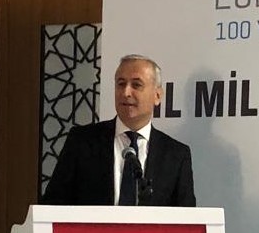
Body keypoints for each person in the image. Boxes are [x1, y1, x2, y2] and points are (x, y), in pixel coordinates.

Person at [42, 54, 195, 206]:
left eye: (136, 85)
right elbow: (53, 205)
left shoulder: (176, 155)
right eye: (121, 84)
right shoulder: (82, 142)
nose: (126, 92)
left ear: (157, 96)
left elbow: (187, 217)